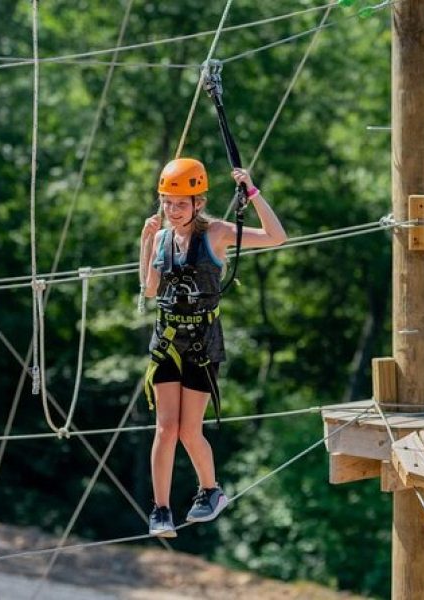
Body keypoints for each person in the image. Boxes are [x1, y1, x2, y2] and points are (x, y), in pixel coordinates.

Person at [139, 157, 287, 538]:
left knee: (190, 430)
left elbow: (276, 237)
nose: (173, 211)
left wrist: (251, 192)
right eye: (168, 203)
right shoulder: (161, 237)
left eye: (181, 204)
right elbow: (150, 289)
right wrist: (145, 241)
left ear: (198, 202)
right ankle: (160, 510)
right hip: (167, 340)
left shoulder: (217, 234)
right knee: (165, 429)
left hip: (203, 343)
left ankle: (211, 491)